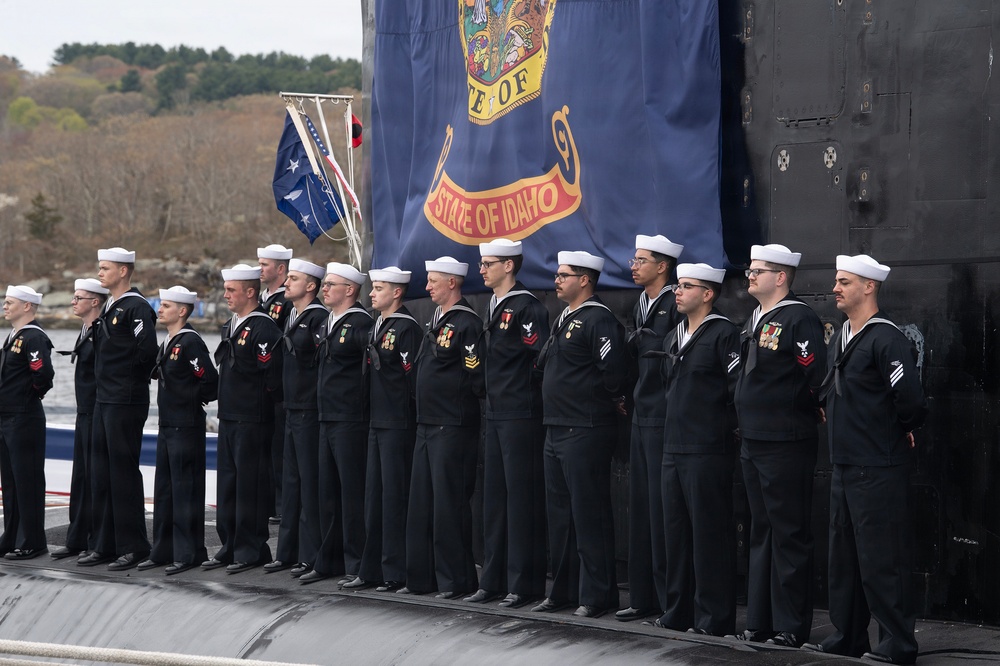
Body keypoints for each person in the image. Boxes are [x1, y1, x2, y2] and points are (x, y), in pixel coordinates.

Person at [808, 255, 927, 665]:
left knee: (883, 559)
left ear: (869, 287)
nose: (836, 288)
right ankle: (848, 636)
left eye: (844, 282)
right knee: (845, 560)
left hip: (876, 467)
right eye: (837, 281)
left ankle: (897, 645)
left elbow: (910, 399)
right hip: (845, 464)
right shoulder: (843, 334)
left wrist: (900, 428)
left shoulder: (885, 338)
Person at [733, 243, 826, 647]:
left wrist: (794, 415)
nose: (750, 276)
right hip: (753, 439)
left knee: (788, 533)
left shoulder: (798, 318)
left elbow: (814, 375)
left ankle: (790, 625)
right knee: (761, 531)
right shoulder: (755, 318)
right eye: (750, 270)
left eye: (758, 271)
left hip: (784, 441)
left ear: (781, 277)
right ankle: (760, 619)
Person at [533, 250, 626, 618]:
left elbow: (613, 372)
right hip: (556, 427)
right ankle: (564, 590)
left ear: (584, 279)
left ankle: (597, 594)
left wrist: (603, 402)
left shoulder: (598, 320)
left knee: (589, 514)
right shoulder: (565, 318)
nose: (557, 280)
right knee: (561, 517)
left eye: (564, 275)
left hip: (584, 428)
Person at [652, 264, 740, 636]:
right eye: (678, 285)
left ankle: (713, 619)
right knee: (676, 534)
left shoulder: (723, 334)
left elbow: (737, 389)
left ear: (707, 294)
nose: (678, 291)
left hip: (707, 449)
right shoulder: (674, 336)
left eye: (686, 286)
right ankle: (678, 612)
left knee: (709, 537)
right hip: (674, 448)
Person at [465, 239, 549, 609]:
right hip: (496, 413)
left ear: (509, 266)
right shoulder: (494, 306)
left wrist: (520, 393)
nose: (482, 269)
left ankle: (523, 582)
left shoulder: (526, 306)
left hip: (520, 413)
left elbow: (538, 356)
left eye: (488, 263)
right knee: (494, 500)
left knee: (520, 501)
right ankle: (494, 579)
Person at [404, 257, 484, 598]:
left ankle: (456, 580)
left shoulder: (466, 322)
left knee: (448, 505)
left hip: (451, 424)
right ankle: (423, 579)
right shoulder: (436, 320)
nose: (427, 287)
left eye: (433, 281)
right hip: (426, 423)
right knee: (421, 505)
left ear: (452, 282)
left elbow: (474, 371)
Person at [617, 234, 684, 622]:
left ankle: (666, 599)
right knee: (641, 508)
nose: (633, 265)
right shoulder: (641, 305)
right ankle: (642, 595)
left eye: (641, 260)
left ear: (662, 266)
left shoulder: (674, 304)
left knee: (663, 511)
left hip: (663, 416)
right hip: (642, 413)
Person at [80, 247, 158, 571]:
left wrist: (128, 383)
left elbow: (147, 352)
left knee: (123, 475)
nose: (100, 273)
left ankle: (133, 545)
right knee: (101, 474)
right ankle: (104, 543)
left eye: (105, 268)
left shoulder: (136, 307)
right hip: (104, 399)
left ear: (123, 271)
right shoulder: (111, 306)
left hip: (124, 400)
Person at [345, 267, 420, 592]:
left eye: (378, 289)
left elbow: (411, 378)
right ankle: (371, 567)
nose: (372, 294)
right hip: (376, 422)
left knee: (394, 498)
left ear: (396, 293)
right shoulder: (379, 326)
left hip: (396, 423)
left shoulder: (405, 329)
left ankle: (395, 570)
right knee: (373, 497)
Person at [204, 264, 282, 573]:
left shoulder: (264, 328)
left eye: (231, 290)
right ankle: (230, 543)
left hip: (252, 417)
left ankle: (251, 548)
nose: (225, 295)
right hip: (229, 416)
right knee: (229, 484)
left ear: (250, 292)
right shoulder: (230, 325)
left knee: (250, 485)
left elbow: (273, 376)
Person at [300, 263, 374, 585]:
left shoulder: (360, 323)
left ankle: (357, 563)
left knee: (351, 493)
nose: (324, 288)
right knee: (326, 492)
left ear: (350, 290)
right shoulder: (329, 322)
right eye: (324, 283)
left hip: (349, 418)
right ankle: (328, 559)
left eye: (331, 284)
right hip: (326, 416)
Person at [139, 286, 218, 575]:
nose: (160, 309)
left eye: (166, 306)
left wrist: (189, 400)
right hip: (167, 424)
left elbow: (210, 381)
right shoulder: (169, 342)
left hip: (185, 425)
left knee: (185, 491)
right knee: (165, 490)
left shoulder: (189, 343)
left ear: (182, 311)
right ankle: (163, 550)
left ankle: (188, 553)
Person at [265, 259, 328, 578]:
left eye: (294, 278)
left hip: (309, 410)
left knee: (308, 482)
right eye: (287, 277)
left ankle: (310, 554)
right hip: (291, 408)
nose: (286, 283)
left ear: (311, 286)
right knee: (290, 483)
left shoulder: (318, 317)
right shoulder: (292, 314)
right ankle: (286, 551)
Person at [50, 279, 108, 560]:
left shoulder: (101, 331)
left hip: (97, 410)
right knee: (80, 478)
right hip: (83, 411)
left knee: (95, 478)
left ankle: (96, 541)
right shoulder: (86, 329)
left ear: (94, 302)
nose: (73, 302)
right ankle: (77, 537)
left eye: (78, 298)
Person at [0, 285, 54, 560]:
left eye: (10, 302)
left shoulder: (33, 337)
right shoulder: (14, 336)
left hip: (24, 417)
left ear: (27, 307)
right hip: (7, 418)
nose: (5, 306)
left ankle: (32, 540)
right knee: (10, 482)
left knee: (28, 481)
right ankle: (11, 537)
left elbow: (43, 374)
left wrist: (26, 398)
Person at [258, 243, 293, 524]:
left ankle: (281, 503)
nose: (260, 269)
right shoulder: (263, 298)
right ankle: (269, 500)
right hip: (260, 387)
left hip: (278, 384)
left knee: (280, 447)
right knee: (267, 447)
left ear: (281, 269)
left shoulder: (285, 302)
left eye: (265, 265)